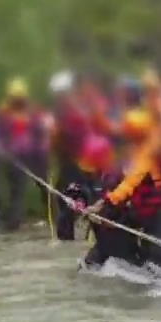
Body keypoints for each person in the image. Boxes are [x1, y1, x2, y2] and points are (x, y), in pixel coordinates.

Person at [86, 108, 161, 278]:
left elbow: (129, 184)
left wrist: (106, 203)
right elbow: (122, 183)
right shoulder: (137, 150)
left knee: (159, 252)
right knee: (110, 236)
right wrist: (101, 206)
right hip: (141, 211)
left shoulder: (149, 152)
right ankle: (117, 265)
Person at [68, 135, 143, 270]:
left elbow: (121, 202)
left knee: (134, 271)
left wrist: (101, 215)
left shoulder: (116, 176)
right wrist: (77, 202)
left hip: (120, 235)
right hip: (102, 240)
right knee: (84, 270)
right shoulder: (88, 175)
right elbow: (78, 191)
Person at [0, 77, 51, 230]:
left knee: (45, 187)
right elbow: (0, 134)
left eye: (19, 98)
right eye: (14, 98)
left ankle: (52, 217)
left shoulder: (34, 110)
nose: (17, 101)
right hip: (15, 156)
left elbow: (43, 130)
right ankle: (13, 223)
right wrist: (3, 149)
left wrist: (43, 145)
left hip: (36, 154)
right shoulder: (4, 112)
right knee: (18, 190)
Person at [50, 70, 91, 241]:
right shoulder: (64, 112)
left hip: (76, 164)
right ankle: (68, 237)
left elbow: (76, 137)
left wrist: (56, 134)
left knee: (69, 201)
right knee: (66, 201)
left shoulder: (73, 113)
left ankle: (67, 239)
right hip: (68, 163)